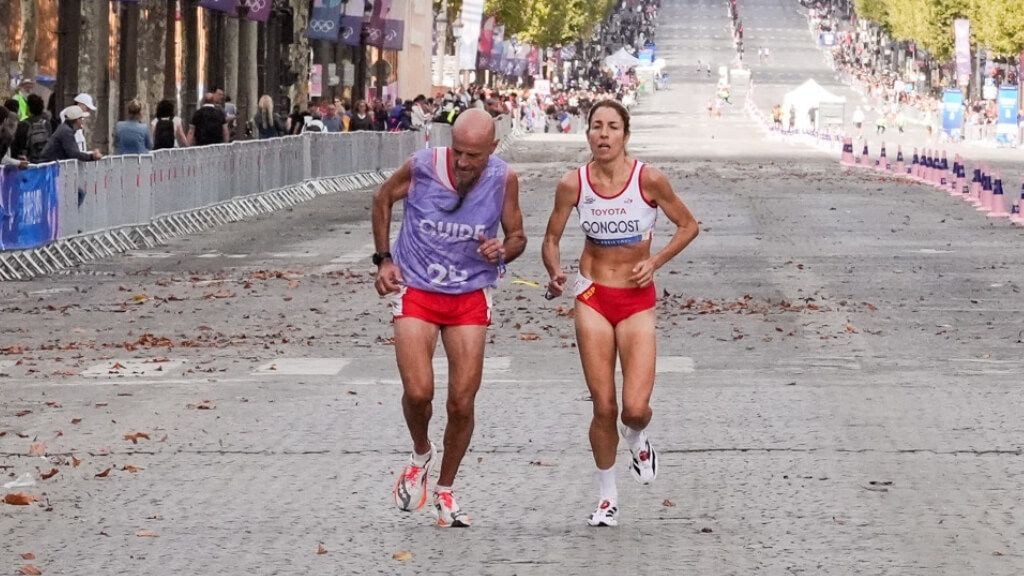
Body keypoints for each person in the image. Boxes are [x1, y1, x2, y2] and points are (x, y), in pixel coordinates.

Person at [541, 100, 699, 527]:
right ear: (588, 134)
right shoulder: (572, 184)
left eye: (612, 127)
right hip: (591, 293)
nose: (604, 135)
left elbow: (688, 225)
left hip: (635, 298)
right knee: (604, 406)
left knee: (634, 408)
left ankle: (639, 438)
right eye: (596, 127)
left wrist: (656, 261)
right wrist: (556, 273)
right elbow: (551, 239)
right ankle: (607, 496)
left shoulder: (648, 179)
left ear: (625, 135)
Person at [372, 108, 526, 528]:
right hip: (419, 289)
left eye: (473, 155)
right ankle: (420, 451)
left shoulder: (503, 178)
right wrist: (384, 260)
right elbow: (382, 197)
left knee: (461, 401)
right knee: (419, 392)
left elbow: (517, 236)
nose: (462, 162)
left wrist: (503, 250)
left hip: (469, 295)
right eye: (457, 151)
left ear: (493, 149)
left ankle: (445, 488)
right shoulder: (422, 166)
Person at [10, 94, 51, 164]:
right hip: (43, 161)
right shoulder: (47, 123)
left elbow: (16, 145)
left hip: (26, 161)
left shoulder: (23, 124)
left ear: (29, 108)